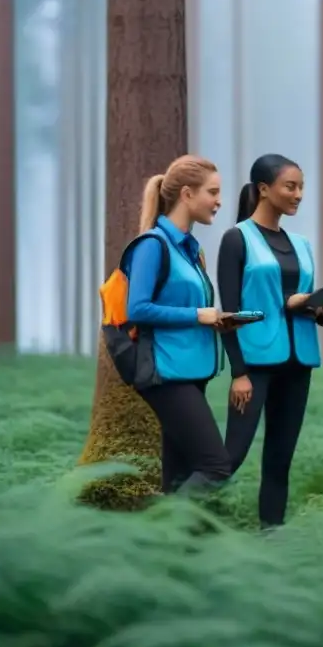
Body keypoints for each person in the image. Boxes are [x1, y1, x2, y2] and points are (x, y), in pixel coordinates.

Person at [217, 153, 323, 530]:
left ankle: (270, 539)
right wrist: (238, 373)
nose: (298, 194)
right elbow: (231, 313)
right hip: (255, 366)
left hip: (297, 363)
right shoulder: (237, 238)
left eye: (301, 187)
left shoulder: (302, 244)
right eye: (290, 186)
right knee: (231, 456)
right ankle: (176, 521)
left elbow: (302, 303)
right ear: (263, 189)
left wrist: (321, 309)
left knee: (280, 459)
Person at [125, 155, 236, 495]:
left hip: (191, 369)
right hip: (166, 373)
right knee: (215, 467)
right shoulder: (152, 245)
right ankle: (156, 531)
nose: (219, 201)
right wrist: (196, 315)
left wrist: (215, 319)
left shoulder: (190, 250)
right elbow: (138, 308)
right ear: (187, 195)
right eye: (212, 192)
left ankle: (168, 546)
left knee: (176, 475)